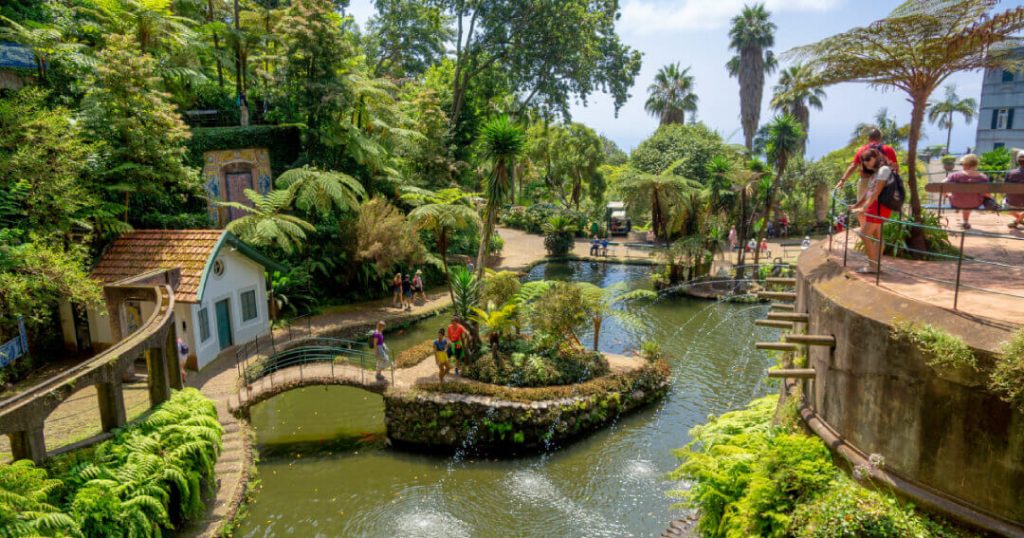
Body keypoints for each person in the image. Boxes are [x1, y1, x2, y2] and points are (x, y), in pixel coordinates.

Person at [849, 147, 892, 274]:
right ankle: (876, 265)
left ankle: (873, 266)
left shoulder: (884, 170)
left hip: (880, 206)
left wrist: (864, 208)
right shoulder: (875, 173)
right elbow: (867, 193)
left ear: (876, 157)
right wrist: (856, 205)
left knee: (864, 234)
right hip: (875, 206)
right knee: (877, 237)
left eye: (868, 159)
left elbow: (876, 192)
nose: (866, 162)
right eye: (863, 160)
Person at [945, 154, 992, 230]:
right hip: (975, 203)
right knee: (970, 198)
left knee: (961, 197)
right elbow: (987, 194)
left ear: (965, 164)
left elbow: (942, 185)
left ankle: (965, 221)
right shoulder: (983, 177)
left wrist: (946, 194)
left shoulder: (955, 175)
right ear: (976, 164)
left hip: (956, 202)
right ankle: (965, 221)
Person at [1006, 152, 1024, 229]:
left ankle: (1017, 221)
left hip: (1011, 202)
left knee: (1008, 208)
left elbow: (1005, 187)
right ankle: (1019, 219)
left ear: (1017, 161)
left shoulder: (1010, 173)